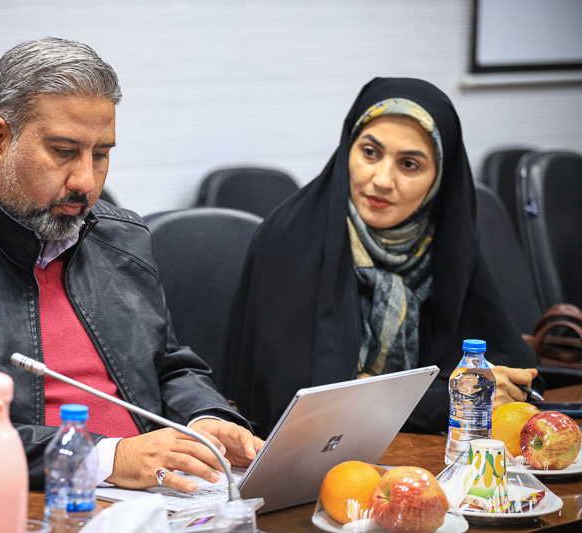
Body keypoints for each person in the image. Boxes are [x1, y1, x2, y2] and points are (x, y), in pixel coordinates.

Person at [0, 37, 261, 501]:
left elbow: (166, 366)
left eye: (100, 154)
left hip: (151, 498)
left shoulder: (120, 238)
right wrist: (102, 458)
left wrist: (206, 419)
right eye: (64, 151)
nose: (86, 181)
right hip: (12, 503)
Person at [225, 77, 541, 439]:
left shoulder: (444, 242)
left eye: (409, 164)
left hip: (419, 454)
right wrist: (453, 400)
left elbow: (510, 376)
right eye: (370, 153)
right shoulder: (291, 239)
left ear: (440, 177)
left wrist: (385, 391)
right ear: (348, 149)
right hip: (310, 457)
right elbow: (316, 404)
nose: (382, 180)